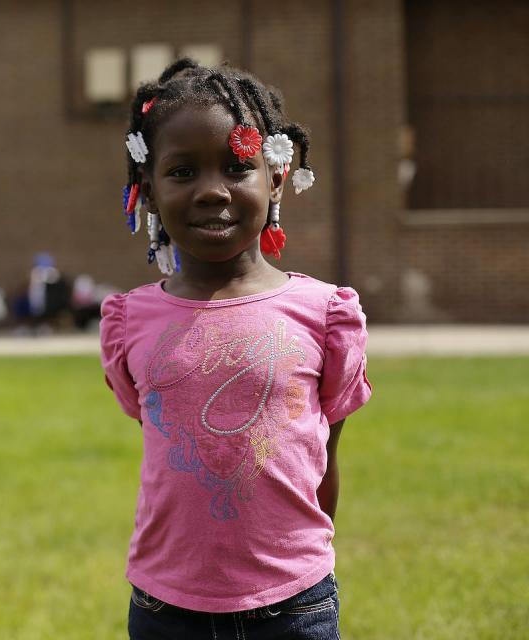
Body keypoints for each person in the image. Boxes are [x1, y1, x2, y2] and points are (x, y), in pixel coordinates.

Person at [99, 58, 372, 639]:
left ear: (275, 178)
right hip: (164, 609)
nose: (212, 191)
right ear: (146, 190)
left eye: (236, 166)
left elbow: (326, 450)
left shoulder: (325, 315)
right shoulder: (130, 321)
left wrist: (295, 558)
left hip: (295, 606)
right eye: (182, 172)